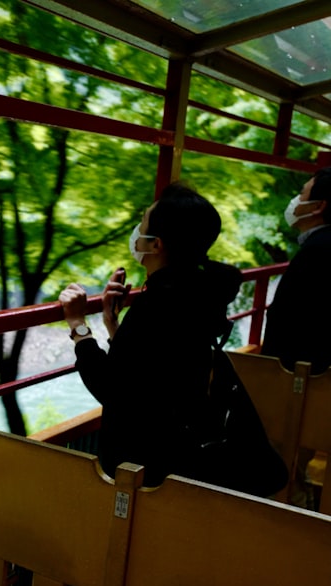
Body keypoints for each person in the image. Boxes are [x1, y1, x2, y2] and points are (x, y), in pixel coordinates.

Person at [59, 182, 243, 487]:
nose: (136, 230)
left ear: (156, 244)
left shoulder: (158, 303)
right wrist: (113, 324)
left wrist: (78, 325)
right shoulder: (195, 291)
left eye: (142, 222)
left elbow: (113, 389)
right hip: (178, 451)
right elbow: (151, 368)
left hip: (143, 464)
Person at [261, 166, 331, 374]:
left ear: (318, 206)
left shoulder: (319, 251)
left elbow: (290, 319)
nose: (296, 200)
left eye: (302, 194)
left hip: (302, 375)